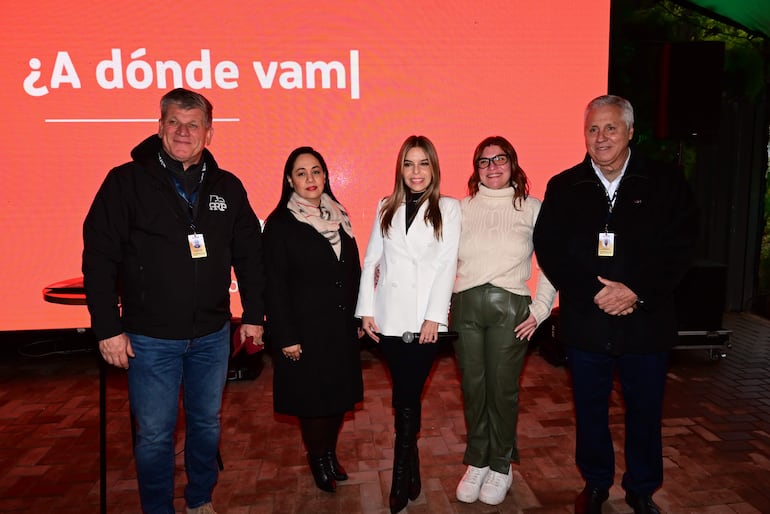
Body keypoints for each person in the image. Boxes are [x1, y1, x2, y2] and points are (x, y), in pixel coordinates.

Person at [82, 88, 265, 514]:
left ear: (209, 133)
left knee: (206, 424)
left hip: (212, 336)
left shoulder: (227, 187)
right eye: (174, 123)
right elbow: (99, 256)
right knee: (154, 435)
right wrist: (107, 327)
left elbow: (250, 256)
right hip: (149, 339)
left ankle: (200, 500)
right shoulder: (124, 182)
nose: (184, 131)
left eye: (193, 124)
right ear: (160, 127)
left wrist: (254, 313)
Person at [533, 95, 698, 514]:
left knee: (645, 412)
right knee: (590, 411)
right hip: (587, 322)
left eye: (610, 128)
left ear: (629, 131)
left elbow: (680, 247)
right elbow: (550, 249)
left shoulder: (665, 181)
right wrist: (595, 291)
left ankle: (642, 488)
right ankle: (595, 483)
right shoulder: (564, 185)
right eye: (592, 129)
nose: (601, 137)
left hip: (646, 321)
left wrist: (635, 291)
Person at [355, 135, 461, 514]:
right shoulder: (386, 205)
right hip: (388, 319)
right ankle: (410, 474)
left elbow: (447, 264)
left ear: (433, 167)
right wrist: (366, 309)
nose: (416, 172)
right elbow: (371, 261)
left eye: (423, 164)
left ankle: (401, 477)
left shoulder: (449, 208)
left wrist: (436, 315)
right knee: (405, 394)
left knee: (406, 396)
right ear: (400, 169)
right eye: (409, 164)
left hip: (423, 322)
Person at [451, 136, 556, 506]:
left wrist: (541, 310)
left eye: (500, 159)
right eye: (484, 161)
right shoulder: (459, 209)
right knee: (473, 389)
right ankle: (477, 460)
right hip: (465, 308)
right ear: (475, 168)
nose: (492, 166)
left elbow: (551, 264)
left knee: (502, 390)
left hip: (511, 309)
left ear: (513, 163)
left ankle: (501, 464)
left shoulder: (532, 207)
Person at [262, 146, 363, 493]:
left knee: (337, 397)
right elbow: (273, 286)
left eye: (316, 171)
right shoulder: (279, 225)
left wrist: (361, 314)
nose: (310, 178)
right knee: (313, 401)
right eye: (301, 172)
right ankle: (317, 457)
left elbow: (353, 271)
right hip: (303, 332)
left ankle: (330, 453)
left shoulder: (340, 215)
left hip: (339, 328)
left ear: (325, 177)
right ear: (290, 179)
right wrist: (285, 336)